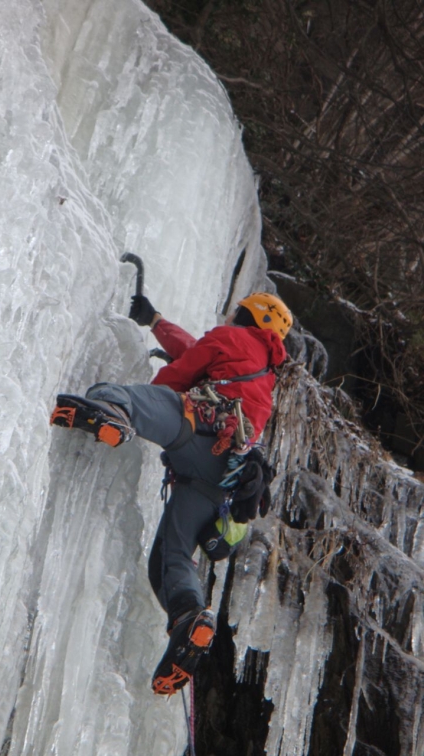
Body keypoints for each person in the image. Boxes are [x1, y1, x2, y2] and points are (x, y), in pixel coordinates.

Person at [50, 291, 292, 695]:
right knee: (170, 559)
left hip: (196, 431)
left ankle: (114, 416)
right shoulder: (263, 373)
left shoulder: (233, 339)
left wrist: (154, 399)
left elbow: (179, 373)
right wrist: (157, 321)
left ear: (250, 314)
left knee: (121, 394)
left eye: (238, 311)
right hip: (218, 479)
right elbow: (197, 350)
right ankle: (188, 617)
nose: (232, 315)